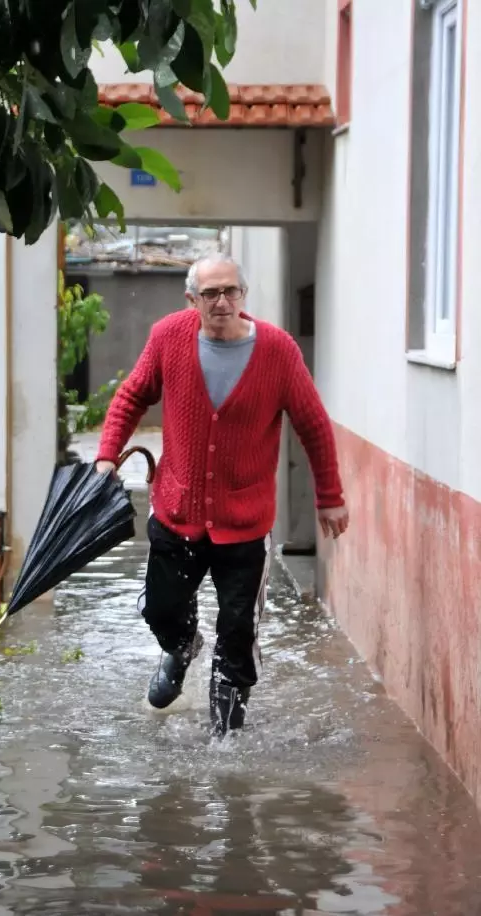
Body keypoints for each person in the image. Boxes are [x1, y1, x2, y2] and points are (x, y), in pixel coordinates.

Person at [96, 254, 349, 737]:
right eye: (210, 293)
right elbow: (132, 395)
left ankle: (225, 739)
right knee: (161, 610)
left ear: (243, 295)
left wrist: (329, 495)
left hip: (245, 523)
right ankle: (183, 645)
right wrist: (108, 454)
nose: (222, 302)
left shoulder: (278, 351)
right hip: (176, 512)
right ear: (192, 299)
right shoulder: (169, 336)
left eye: (230, 291)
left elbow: (313, 423)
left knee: (239, 634)